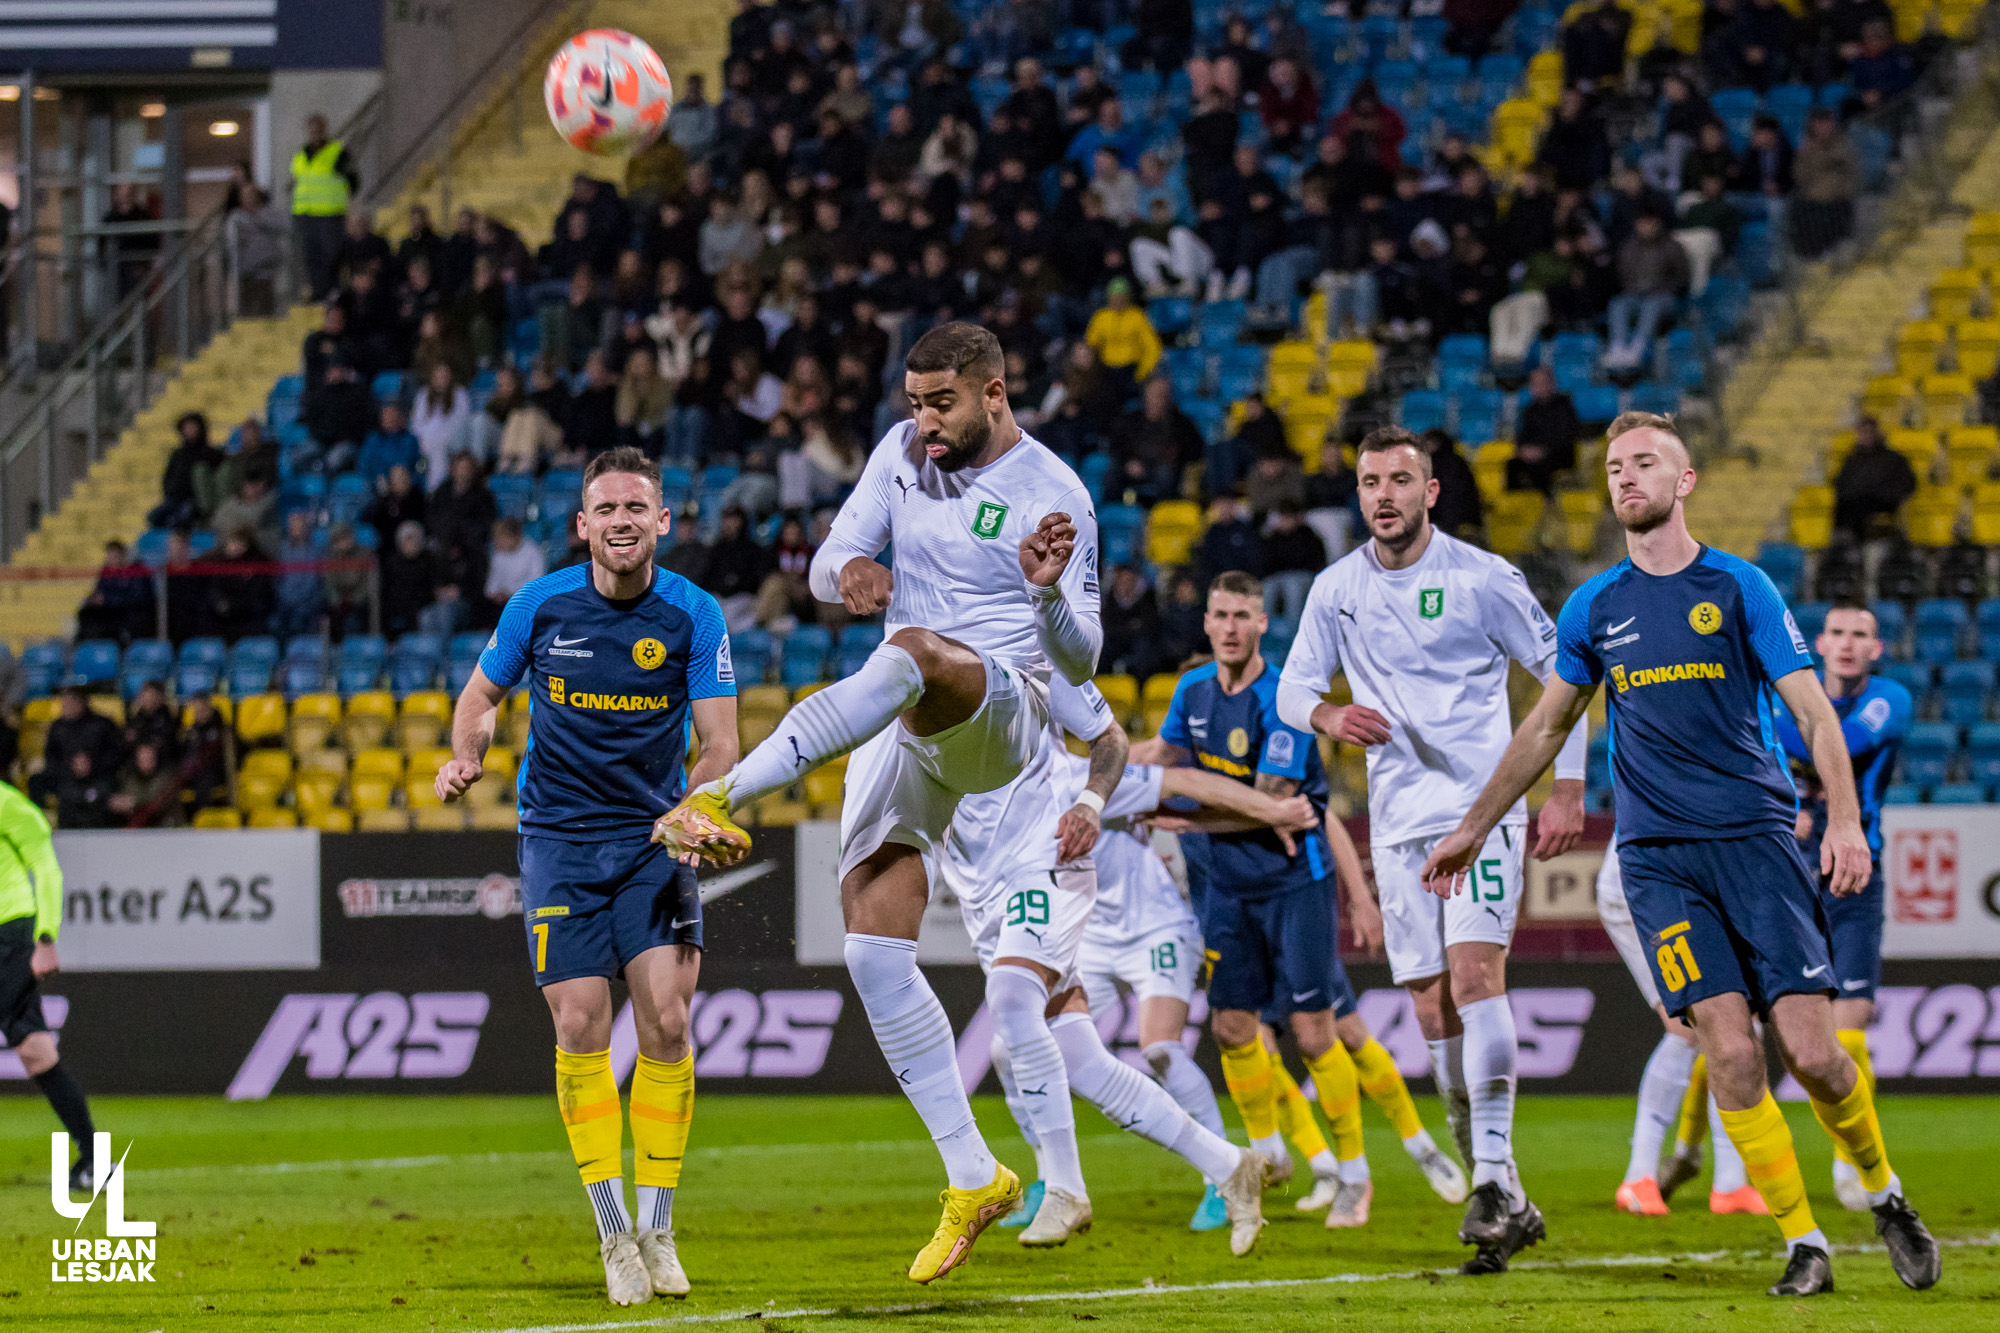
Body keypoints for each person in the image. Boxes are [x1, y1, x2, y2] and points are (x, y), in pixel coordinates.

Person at [1421, 411, 1940, 1297]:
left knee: (1815, 1056)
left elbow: (1814, 712)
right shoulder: (1594, 606)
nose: (1626, 477)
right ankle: (1804, 1241)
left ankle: (1886, 1195)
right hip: (1660, 862)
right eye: (1615, 466)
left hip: (1758, 846)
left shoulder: (1739, 587)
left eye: (1644, 462)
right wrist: (1474, 824)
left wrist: (1845, 821)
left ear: (1684, 480)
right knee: (1730, 1053)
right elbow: (1546, 725)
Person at [652, 323, 1103, 1283]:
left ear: (994, 391)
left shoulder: (1053, 492)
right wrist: (846, 572)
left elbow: (1082, 657)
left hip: (1005, 706)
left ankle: (719, 791)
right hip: (908, 719)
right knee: (872, 948)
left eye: (943, 403)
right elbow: (830, 561)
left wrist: (1047, 593)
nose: (925, 422)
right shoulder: (900, 453)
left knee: (910, 651)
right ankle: (973, 1174)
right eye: (915, 403)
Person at [1276, 425, 1589, 1274]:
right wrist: (1328, 714)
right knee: (1429, 1010)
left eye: (1399, 480)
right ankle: (1509, 1195)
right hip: (1398, 823)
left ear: (1431, 491)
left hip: (1479, 813)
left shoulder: (1483, 578)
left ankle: (1486, 1176)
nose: (1383, 495)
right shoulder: (1337, 589)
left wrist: (1566, 785)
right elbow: (1293, 686)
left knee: (1476, 976)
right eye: (1370, 481)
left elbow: (1565, 672)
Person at [436, 448, 738, 1306]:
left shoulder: (695, 613)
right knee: (578, 1024)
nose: (621, 521)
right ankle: (614, 1235)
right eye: (605, 508)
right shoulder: (538, 605)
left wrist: (698, 805)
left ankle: (659, 1226)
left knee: (668, 1020)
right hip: (560, 842)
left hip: (654, 841)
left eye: (636, 507)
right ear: (582, 524)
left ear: (662, 521)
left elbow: (720, 740)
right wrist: (467, 755)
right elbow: (479, 699)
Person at [1135, 569, 1467, 1229]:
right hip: (1225, 887)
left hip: (1295, 885)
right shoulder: (1191, 690)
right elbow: (1162, 751)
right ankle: (1266, 1157)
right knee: (1233, 1028)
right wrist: (1097, 771)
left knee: (1319, 1033)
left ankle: (1355, 1174)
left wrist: (1174, 811)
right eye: (1220, 614)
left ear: (1262, 623)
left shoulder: (1285, 699)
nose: (1230, 627)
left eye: (1243, 615)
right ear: (1207, 622)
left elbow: (1272, 804)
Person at [938, 683, 1272, 1251]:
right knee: (1075, 1059)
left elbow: (1181, 782)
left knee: (1025, 1007)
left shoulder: (1068, 773)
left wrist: (1275, 810)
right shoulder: (939, 760)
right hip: (1028, 917)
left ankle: (1064, 1187)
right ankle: (1227, 1164)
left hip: (1104, 908)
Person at [1773, 600, 1910, 1211]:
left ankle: (1849, 1160)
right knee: (1743, 1027)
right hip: (1787, 877)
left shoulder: (1890, 698)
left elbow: (1846, 741)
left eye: (1861, 635)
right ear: (1820, 643)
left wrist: (1787, 741)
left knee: (1849, 1030)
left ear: (1875, 649)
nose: (1848, 643)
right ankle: (1693, 1152)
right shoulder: (1786, 696)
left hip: (1855, 876)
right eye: (1837, 633)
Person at [0, 779, 100, 1193]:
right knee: (36, 1051)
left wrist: (45, 937)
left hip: (8, 932)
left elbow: (45, 867)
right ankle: (95, 1161)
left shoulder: (7, 804)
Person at [291, 113, 359, 300]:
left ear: (324, 130)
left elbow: (353, 181)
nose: (314, 134)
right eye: (311, 131)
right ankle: (318, 293)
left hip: (330, 214)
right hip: (306, 214)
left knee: (332, 256)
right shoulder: (300, 156)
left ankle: (332, 293)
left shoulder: (337, 152)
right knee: (312, 258)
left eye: (318, 130)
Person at [1833, 415, 1916, 538]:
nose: (1867, 436)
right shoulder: (1851, 461)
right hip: (1853, 513)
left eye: (1870, 432)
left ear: (1878, 433)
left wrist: (1886, 496)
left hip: (1883, 508)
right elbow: (1841, 486)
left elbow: (1908, 484)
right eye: (1863, 432)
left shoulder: (1894, 460)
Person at [77, 540, 155, 644]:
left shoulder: (137, 571)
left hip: (129, 611)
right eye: (109, 556)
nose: (111, 560)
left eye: (114, 556)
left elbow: (138, 598)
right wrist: (93, 599)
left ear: (123, 555)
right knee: (86, 613)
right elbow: (99, 592)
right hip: (110, 611)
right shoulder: (106, 572)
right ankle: (88, 645)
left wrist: (108, 599)